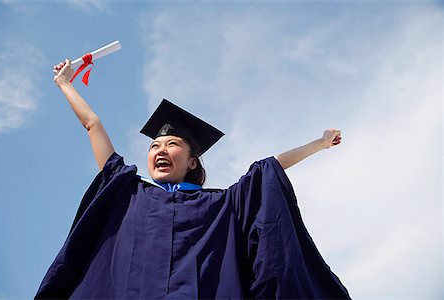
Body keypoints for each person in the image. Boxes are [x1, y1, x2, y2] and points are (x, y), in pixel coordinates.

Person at [35, 60, 350, 299]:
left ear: (192, 160)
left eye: (172, 144)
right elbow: (92, 124)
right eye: (155, 146)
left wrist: (319, 144)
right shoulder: (129, 192)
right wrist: (65, 83)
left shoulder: (220, 204)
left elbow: (269, 168)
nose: (161, 149)